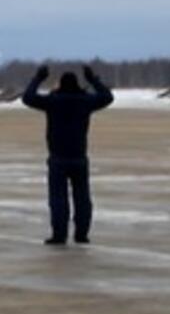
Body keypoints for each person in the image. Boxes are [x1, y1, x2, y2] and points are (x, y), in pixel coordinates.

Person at [23, 65, 113, 245]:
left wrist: (38, 78)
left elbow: (28, 97)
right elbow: (107, 97)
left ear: (60, 85)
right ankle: (81, 234)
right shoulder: (85, 101)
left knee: (58, 198)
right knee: (82, 198)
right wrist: (93, 79)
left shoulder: (53, 101)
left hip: (58, 157)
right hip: (79, 157)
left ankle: (59, 234)